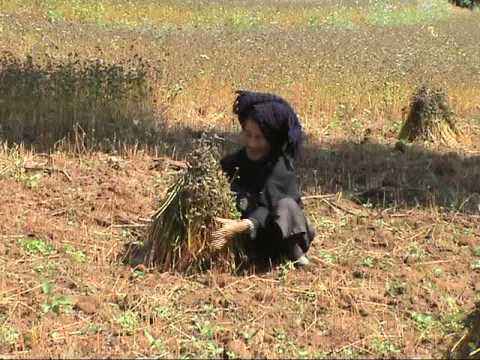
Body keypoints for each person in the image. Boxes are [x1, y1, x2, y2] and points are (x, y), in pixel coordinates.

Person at [211, 90, 315, 267]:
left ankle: (295, 254)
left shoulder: (280, 167)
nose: (252, 143)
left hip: (277, 233)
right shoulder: (233, 162)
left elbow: (267, 207)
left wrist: (241, 226)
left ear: (272, 139)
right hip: (244, 236)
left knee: (286, 206)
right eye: (248, 134)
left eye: (259, 137)